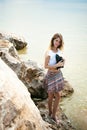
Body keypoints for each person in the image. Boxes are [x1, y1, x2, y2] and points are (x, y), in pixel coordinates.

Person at [44, 33, 65, 123]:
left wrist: (62, 63)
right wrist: (57, 65)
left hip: (58, 74)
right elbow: (45, 66)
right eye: (56, 40)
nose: (57, 43)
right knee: (50, 96)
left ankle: (53, 115)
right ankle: (49, 113)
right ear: (53, 40)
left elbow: (62, 62)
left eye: (59, 42)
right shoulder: (48, 52)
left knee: (58, 96)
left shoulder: (60, 51)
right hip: (51, 75)